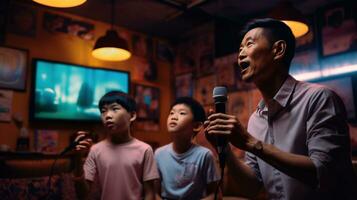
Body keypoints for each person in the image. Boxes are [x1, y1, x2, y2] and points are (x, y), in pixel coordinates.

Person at [205, 18, 357, 200]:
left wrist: (252, 143)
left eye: (249, 44)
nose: (240, 54)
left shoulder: (319, 99)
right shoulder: (256, 119)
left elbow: (324, 173)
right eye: (239, 49)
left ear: (278, 50)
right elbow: (251, 188)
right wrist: (225, 149)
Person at [73, 91, 159, 200]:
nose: (107, 115)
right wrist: (77, 157)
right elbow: (82, 195)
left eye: (115, 109)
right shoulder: (95, 150)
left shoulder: (145, 149)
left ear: (132, 115)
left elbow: (150, 193)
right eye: (103, 111)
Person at [154, 97, 221, 200]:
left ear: (197, 125)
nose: (174, 117)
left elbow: (216, 195)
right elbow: (155, 193)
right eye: (171, 113)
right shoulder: (159, 154)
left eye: (182, 113)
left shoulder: (204, 155)